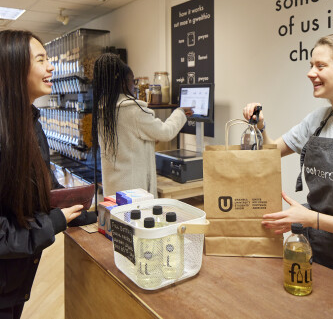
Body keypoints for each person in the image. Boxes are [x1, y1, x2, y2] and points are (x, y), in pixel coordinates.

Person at [243, 33, 333, 280]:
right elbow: (269, 154)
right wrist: (260, 127)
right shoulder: (317, 120)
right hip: (315, 254)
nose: (310, 73)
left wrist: (312, 219)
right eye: (310, 66)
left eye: (320, 66)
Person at [0, 30, 84, 318]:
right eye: (41, 60)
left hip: (14, 281)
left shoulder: (30, 122)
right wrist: (50, 224)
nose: (51, 67)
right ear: (13, 68)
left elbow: (41, 186)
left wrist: (74, 207)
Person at [92, 53, 193, 197]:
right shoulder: (133, 110)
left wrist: (149, 139)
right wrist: (180, 112)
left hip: (113, 191)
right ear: (123, 83)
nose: (135, 86)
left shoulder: (103, 110)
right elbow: (166, 132)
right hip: (134, 194)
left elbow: (126, 141)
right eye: (132, 81)